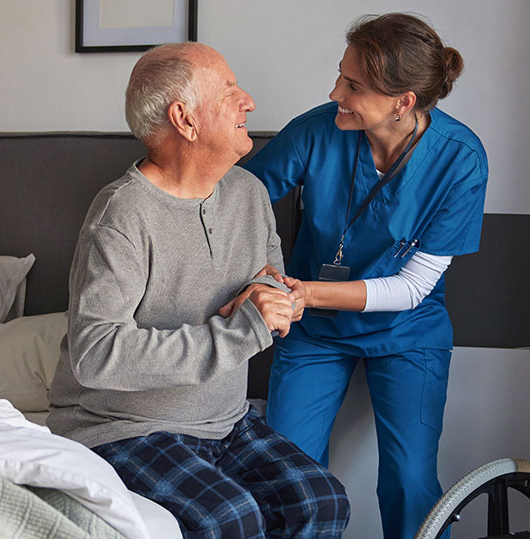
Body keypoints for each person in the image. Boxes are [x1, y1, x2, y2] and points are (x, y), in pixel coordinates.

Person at [46, 42, 351, 539]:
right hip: (121, 429)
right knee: (229, 519)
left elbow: (268, 274)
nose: (248, 100)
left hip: (225, 422)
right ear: (185, 120)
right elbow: (96, 354)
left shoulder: (249, 194)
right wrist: (241, 329)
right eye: (229, 90)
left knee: (322, 501)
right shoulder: (122, 216)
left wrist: (267, 297)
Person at [243, 13, 489, 539]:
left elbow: (413, 287)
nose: (336, 92)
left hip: (407, 331)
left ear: (403, 102)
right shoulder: (316, 130)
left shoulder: (460, 160)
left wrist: (304, 290)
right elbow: (239, 203)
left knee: (409, 479)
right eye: (340, 75)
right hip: (314, 330)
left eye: (353, 85)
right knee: (289, 471)